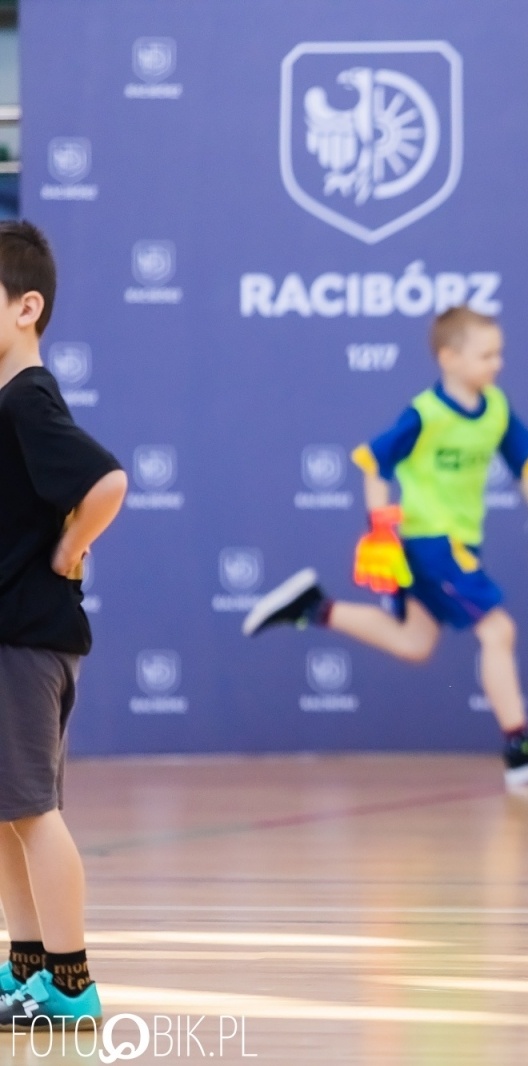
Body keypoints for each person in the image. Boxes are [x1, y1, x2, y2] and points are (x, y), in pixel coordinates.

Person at [243, 306, 528, 788]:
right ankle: (519, 743)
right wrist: (380, 529)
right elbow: (374, 462)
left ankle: (314, 608)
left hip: (460, 543)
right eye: (486, 355)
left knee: (415, 643)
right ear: (449, 358)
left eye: (498, 354)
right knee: (498, 630)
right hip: (429, 540)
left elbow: (526, 468)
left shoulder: (498, 409)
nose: (497, 363)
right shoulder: (425, 412)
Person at [0, 220, 127, 1027]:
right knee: (10, 811)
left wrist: (70, 550)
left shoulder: (26, 396)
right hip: (11, 635)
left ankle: (71, 984)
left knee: (34, 810)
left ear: (26, 308)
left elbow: (106, 481)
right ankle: (30, 971)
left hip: (26, 638)